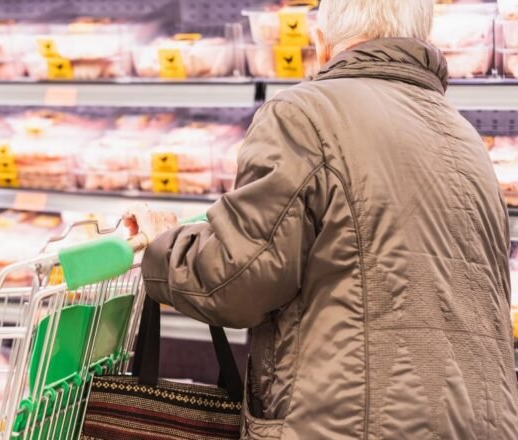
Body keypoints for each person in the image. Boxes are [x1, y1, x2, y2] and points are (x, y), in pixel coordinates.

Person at [125, 0, 518, 438]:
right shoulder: (465, 138)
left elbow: (238, 278)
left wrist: (165, 246)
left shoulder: (304, 115)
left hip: (347, 423)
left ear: (321, 41)